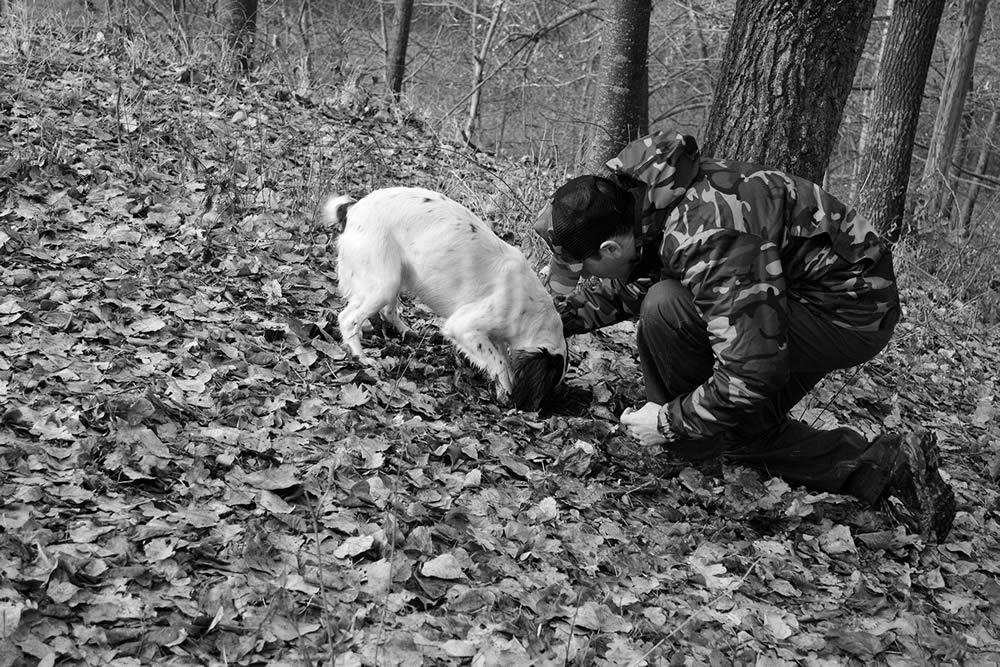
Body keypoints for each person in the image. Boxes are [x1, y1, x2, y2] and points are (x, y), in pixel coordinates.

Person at [533, 130, 956, 542]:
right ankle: (885, 465)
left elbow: (751, 370)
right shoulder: (647, 199)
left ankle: (687, 448)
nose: (587, 278)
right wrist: (544, 322)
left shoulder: (707, 234)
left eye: (585, 269)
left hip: (847, 312)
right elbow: (638, 275)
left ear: (610, 249)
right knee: (741, 433)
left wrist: (669, 423)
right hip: (806, 292)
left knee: (666, 307)